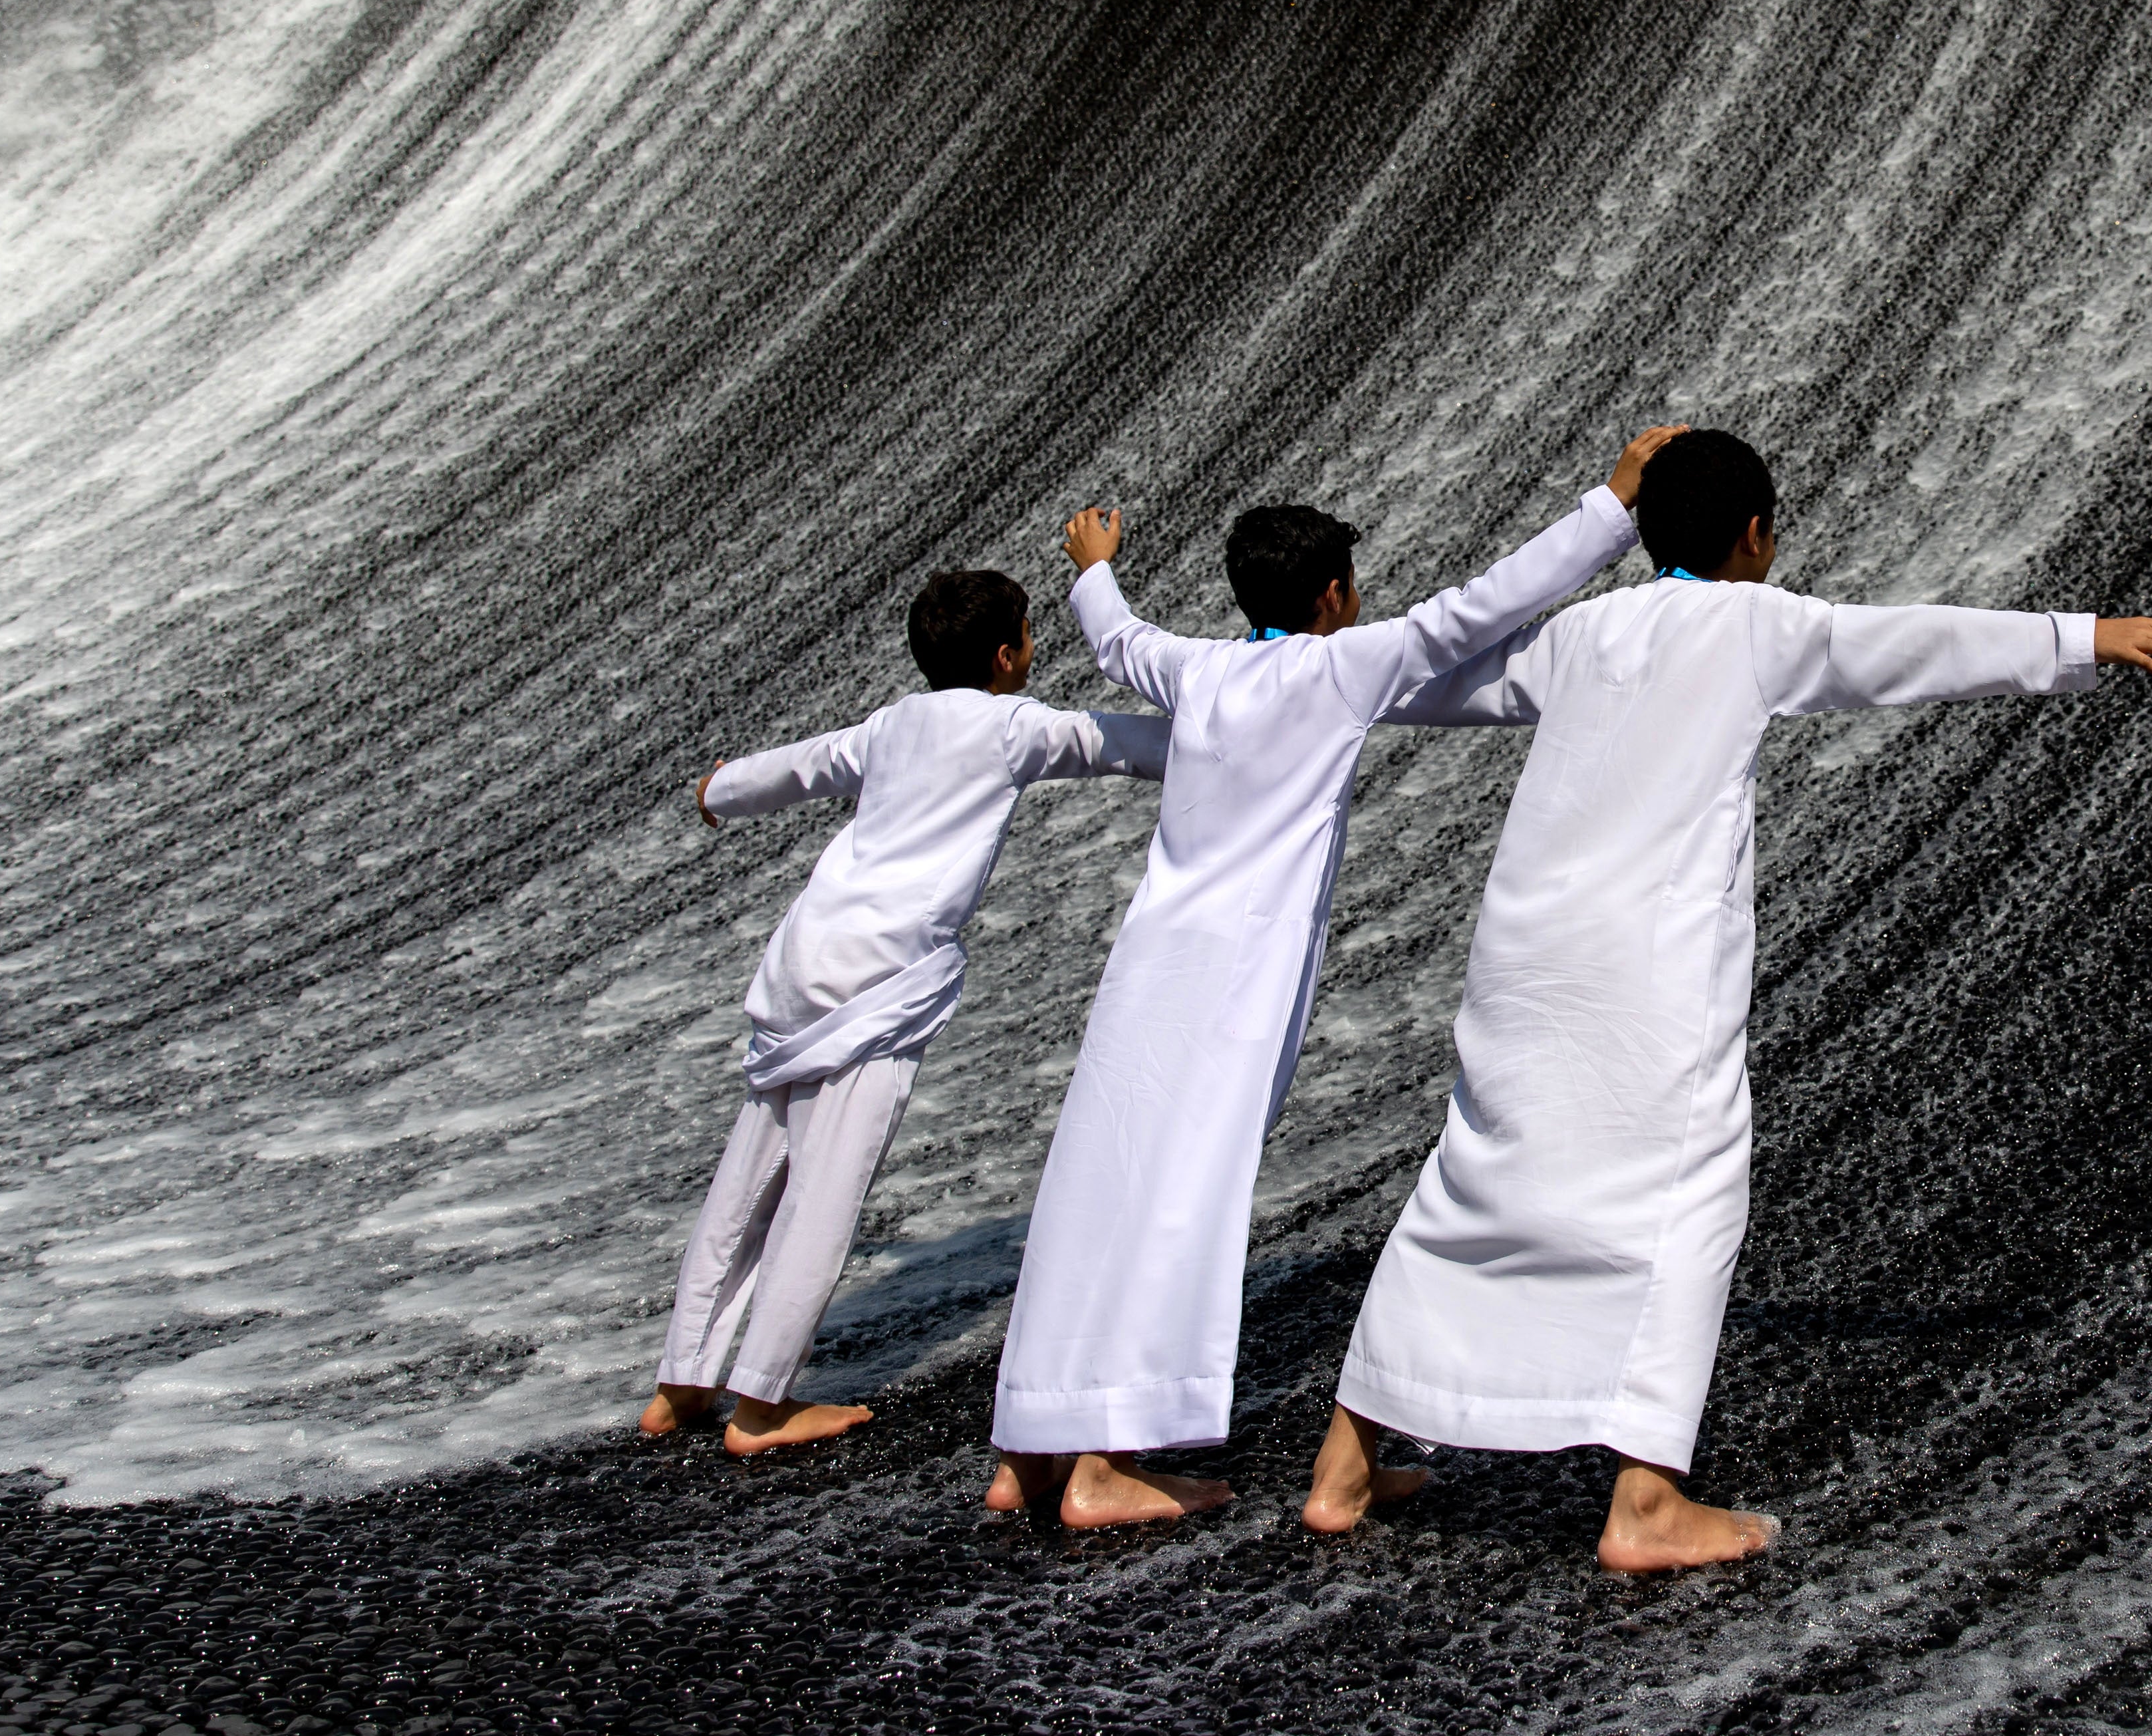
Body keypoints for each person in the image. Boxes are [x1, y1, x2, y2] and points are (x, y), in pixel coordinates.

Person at [1303, 428, 2152, 1568]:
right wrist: (2086, 638)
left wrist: (1309, 673)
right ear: (1756, 537)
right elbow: (1908, 645)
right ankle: (1644, 1502)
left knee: (1469, 1180)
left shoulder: (1580, 633)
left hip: (1523, 958)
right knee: (1689, 1193)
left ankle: (1345, 1464)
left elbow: (1436, 682)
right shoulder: (1757, 624)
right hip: (1647, 966)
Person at [982, 426, 1689, 1527]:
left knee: (1100, 1178)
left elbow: (1119, 641)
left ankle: (1032, 1445)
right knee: (1179, 1200)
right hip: (1234, 987)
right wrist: (1614, 503)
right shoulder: (1345, 665)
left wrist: (1091, 566)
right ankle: (1105, 1470)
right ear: (1332, 598)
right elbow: (1486, 605)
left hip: (1146, 970)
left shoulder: (1197, 666)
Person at [645, 569, 1167, 1456]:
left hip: (802, 961)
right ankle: (763, 1407)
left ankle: (683, 1384)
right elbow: (1122, 745)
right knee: (823, 1195)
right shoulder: (1017, 726)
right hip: (875, 987)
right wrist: (1243, 720)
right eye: (1031, 636)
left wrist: (717, 791)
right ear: (1010, 657)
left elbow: (803, 766)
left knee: (750, 1178)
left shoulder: (892, 725)